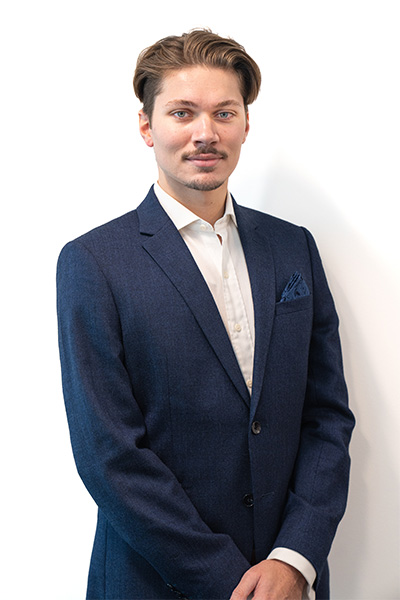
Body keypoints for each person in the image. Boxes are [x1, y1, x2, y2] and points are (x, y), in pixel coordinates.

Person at [57, 29, 355, 600]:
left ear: (245, 123)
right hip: (155, 582)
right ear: (146, 126)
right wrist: (227, 581)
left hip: (290, 580)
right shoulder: (93, 261)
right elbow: (108, 454)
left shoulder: (293, 247)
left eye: (224, 112)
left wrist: (294, 560)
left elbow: (327, 417)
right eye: (182, 112)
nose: (205, 133)